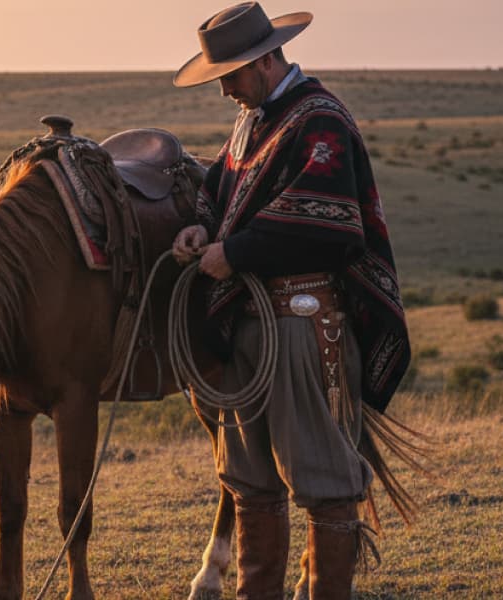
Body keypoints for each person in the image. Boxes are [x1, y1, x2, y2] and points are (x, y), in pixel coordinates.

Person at [171, 3, 411, 599]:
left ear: (265, 58)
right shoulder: (255, 121)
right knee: (251, 480)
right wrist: (203, 229)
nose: (224, 87)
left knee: (325, 479)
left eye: (230, 72)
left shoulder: (320, 120)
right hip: (254, 324)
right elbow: (221, 190)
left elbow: (331, 227)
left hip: (305, 326)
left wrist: (236, 252)